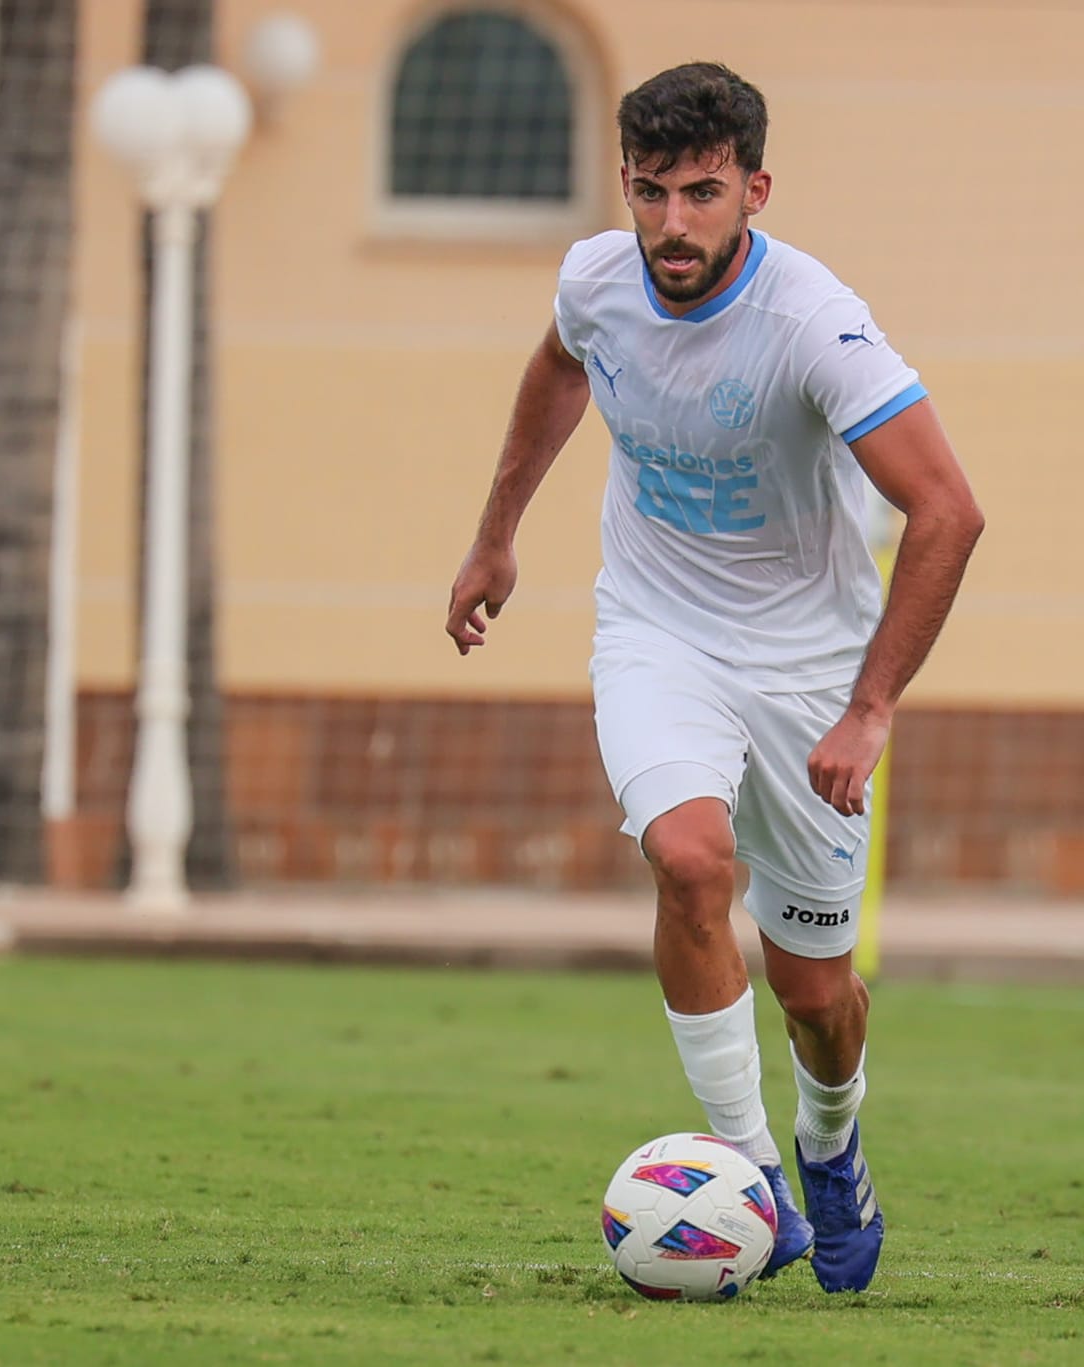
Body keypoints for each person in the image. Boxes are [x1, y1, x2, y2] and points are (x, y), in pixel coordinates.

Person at [444, 62, 983, 1293]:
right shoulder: (593, 280)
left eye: (699, 193)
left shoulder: (811, 322)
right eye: (648, 192)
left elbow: (947, 509)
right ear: (623, 186)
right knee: (687, 861)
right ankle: (751, 1175)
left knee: (815, 994)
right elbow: (558, 365)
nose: (670, 223)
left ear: (753, 189)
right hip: (656, 632)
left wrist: (867, 708)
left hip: (806, 670)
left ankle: (830, 1145)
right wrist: (495, 535)